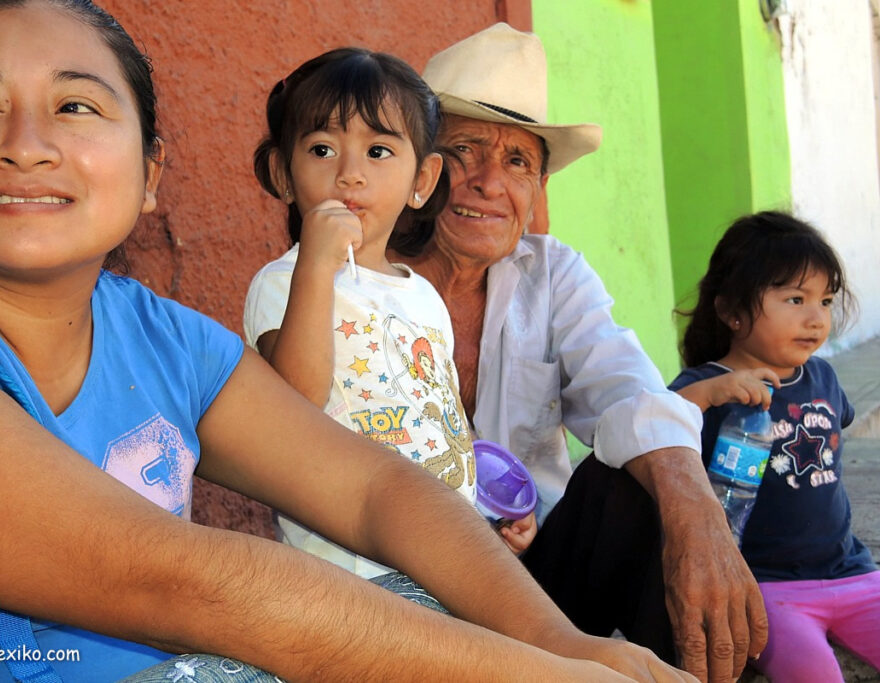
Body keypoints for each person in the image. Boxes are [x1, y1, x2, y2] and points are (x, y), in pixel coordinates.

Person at [0, 1, 693, 681]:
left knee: (429, 594)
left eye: (76, 105)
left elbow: (375, 488)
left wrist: (562, 641)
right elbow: (183, 580)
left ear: (150, 175)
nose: (27, 146)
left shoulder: (162, 338)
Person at [396, 22, 769, 682]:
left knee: (646, 486)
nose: (489, 181)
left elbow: (625, 384)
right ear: (418, 167)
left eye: (518, 162)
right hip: (398, 593)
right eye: (465, 150)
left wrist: (698, 511)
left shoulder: (553, 272)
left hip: (535, 584)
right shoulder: (356, 282)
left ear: (537, 188)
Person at [243, 46, 535, 578]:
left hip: (446, 561)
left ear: (421, 182)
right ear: (284, 174)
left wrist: (488, 509)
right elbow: (293, 405)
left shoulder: (422, 296)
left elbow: (445, 422)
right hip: (349, 569)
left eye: (378, 152)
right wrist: (317, 265)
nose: (350, 174)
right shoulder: (283, 282)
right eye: (323, 149)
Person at [669, 211, 879, 682]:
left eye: (824, 301)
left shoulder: (820, 375)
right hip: (767, 588)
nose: (815, 318)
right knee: (816, 675)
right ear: (731, 311)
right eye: (795, 299)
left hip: (854, 573)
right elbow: (655, 423)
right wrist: (708, 396)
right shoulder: (708, 385)